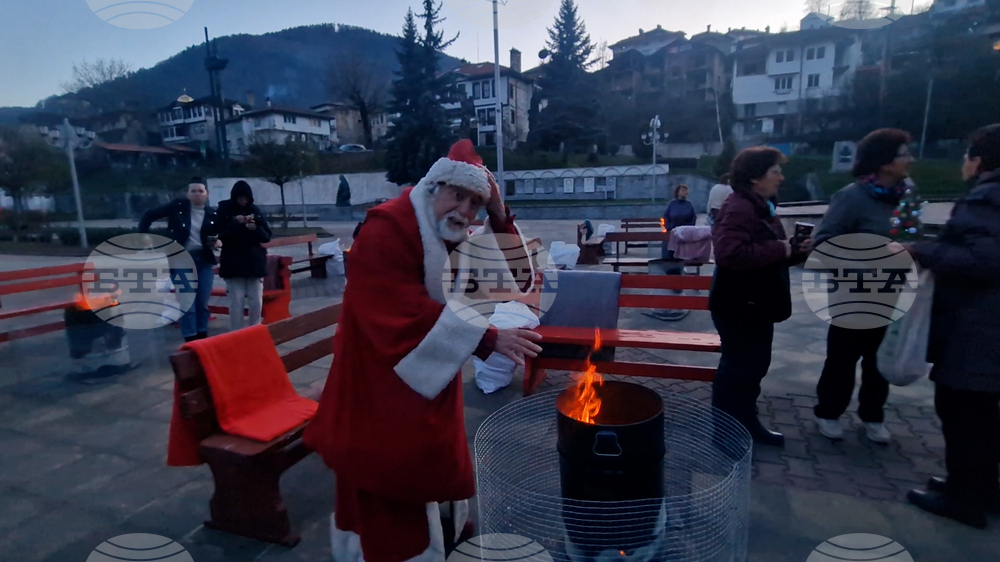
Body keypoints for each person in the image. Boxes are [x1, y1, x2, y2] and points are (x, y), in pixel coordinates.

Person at [303, 140, 544, 562]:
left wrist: (500, 213)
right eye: (458, 196)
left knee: (428, 467)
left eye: (475, 203)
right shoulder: (385, 230)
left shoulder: (449, 234)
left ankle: (441, 535)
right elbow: (401, 312)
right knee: (389, 480)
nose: (466, 212)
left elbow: (520, 277)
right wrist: (487, 339)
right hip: (379, 389)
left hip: (426, 382)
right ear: (434, 188)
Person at [906, 124, 1000, 529]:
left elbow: (981, 261)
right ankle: (979, 486)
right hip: (985, 327)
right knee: (981, 415)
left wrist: (923, 249)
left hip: (978, 328)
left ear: (978, 161)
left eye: (967, 155)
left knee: (963, 412)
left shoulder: (988, 198)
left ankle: (964, 499)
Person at [811, 129, 915, 444]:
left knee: (879, 361)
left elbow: (912, 232)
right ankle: (828, 412)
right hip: (853, 296)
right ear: (884, 162)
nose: (910, 159)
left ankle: (873, 416)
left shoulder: (908, 193)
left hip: (893, 293)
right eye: (903, 154)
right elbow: (824, 242)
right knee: (842, 360)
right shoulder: (851, 197)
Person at [709, 148, 812, 446]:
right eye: (775, 171)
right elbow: (729, 254)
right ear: (755, 177)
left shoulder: (762, 206)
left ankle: (747, 423)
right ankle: (726, 434)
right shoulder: (740, 207)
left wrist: (793, 251)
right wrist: (782, 249)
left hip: (755, 303)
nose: (781, 177)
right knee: (738, 370)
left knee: (754, 367)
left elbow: (765, 254)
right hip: (738, 305)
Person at [139, 178, 219, 343]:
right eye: (193, 191)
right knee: (187, 304)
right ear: (188, 194)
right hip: (182, 260)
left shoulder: (212, 214)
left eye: (200, 191)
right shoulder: (178, 208)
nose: (197, 194)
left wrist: (219, 241)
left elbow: (223, 232)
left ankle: (202, 338)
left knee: (202, 304)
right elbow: (149, 214)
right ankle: (191, 340)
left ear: (207, 194)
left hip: (203, 261)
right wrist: (143, 234)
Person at [216, 180, 273, 331]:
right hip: (233, 262)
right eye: (240, 198)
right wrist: (235, 222)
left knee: (256, 301)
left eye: (245, 198)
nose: (242, 201)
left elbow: (266, 236)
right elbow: (219, 233)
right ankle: (236, 332)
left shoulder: (255, 210)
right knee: (236, 301)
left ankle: (255, 330)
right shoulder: (224, 209)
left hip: (254, 262)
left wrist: (254, 228)